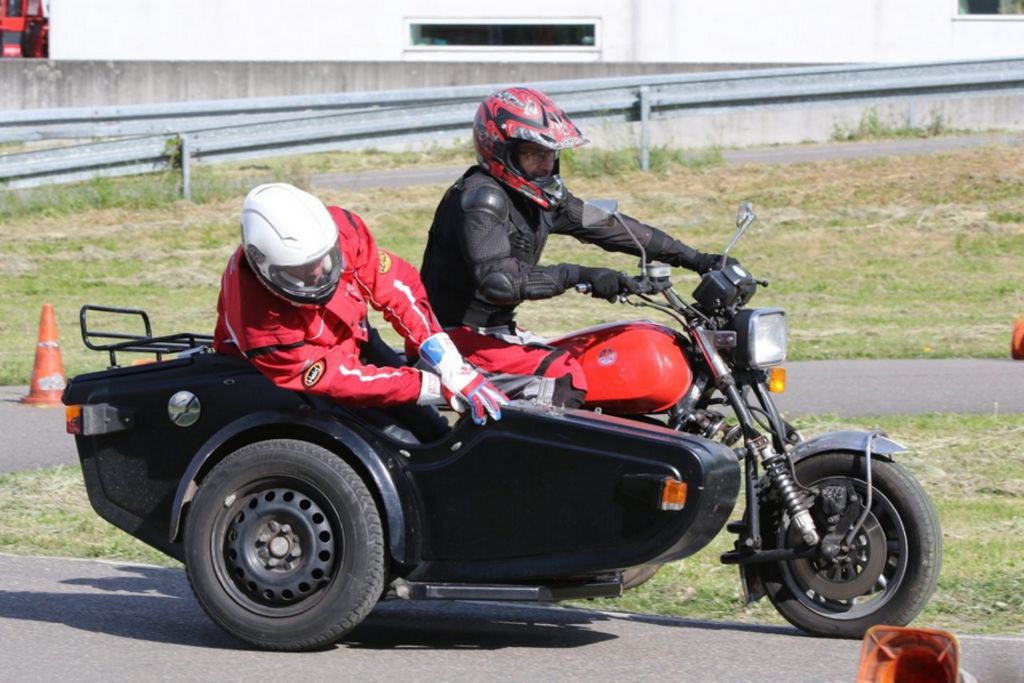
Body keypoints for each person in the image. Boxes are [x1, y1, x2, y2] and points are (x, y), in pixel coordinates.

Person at [419, 87, 731, 408]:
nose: (544, 164)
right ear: (500, 151)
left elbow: (610, 226)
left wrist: (698, 260)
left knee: (602, 363)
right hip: (452, 338)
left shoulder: (545, 198)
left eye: (550, 153)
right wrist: (580, 275)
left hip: (494, 332)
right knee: (563, 376)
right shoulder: (482, 198)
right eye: (533, 153)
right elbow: (499, 281)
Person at [213, 183, 507, 436]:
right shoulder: (262, 327)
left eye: (324, 260)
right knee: (394, 442)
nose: (318, 273)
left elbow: (397, 289)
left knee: (432, 427)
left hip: (352, 335)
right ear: (266, 270)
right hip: (292, 377)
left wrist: (448, 362)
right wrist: (432, 386)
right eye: (301, 271)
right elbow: (340, 379)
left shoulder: (341, 232)